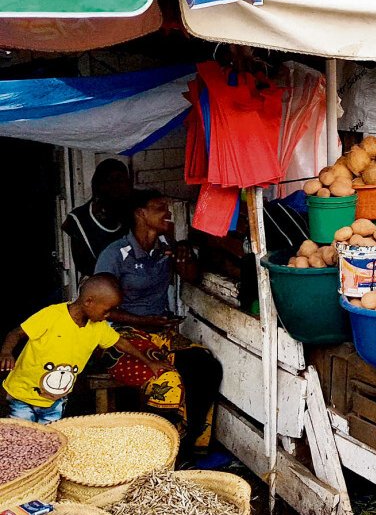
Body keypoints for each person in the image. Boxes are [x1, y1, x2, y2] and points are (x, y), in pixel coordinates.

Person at [94, 189, 222, 454]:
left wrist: (184, 250)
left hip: (160, 334)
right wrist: (144, 320)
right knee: (166, 380)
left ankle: (189, 443)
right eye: (159, 208)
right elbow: (99, 309)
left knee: (205, 365)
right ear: (140, 213)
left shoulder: (165, 248)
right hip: (121, 337)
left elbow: (191, 276)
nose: (167, 213)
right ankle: (156, 451)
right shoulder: (115, 254)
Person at [1, 277, 167, 423]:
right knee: (21, 437)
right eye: (106, 310)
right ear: (89, 302)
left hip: (55, 401)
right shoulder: (52, 315)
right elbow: (16, 333)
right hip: (22, 395)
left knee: (48, 439)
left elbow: (121, 343)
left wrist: (149, 362)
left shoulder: (99, 327)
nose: (108, 315)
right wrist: (6, 353)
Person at [62, 159, 133, 277]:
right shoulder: (78, 219)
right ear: (98, 185)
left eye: (121, 180)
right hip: (99, 282)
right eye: (109, 181)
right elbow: (84, 265)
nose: (116, 186)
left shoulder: (133, 212)